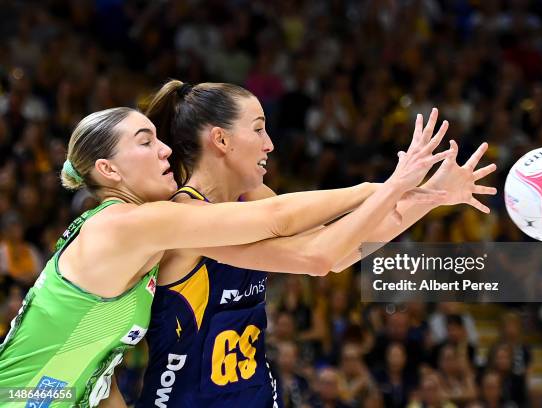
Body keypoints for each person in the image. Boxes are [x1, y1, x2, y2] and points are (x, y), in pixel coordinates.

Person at [0, 103, 451, 407]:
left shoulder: (138, 241)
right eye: (145, 141)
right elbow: (277, 218)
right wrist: (389, 185)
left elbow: (94, 364)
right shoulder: (126, 224)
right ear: (108, 169)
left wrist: (421, 198)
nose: (164, 149)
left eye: (160, 138)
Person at [134, 80, 497, 407]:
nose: (269, 144)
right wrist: (389, 186)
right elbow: (317, 256)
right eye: (259, 130)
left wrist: (432, 194)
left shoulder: (253, 197)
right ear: (221, 139)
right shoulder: (183, 219)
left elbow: (340, 249)